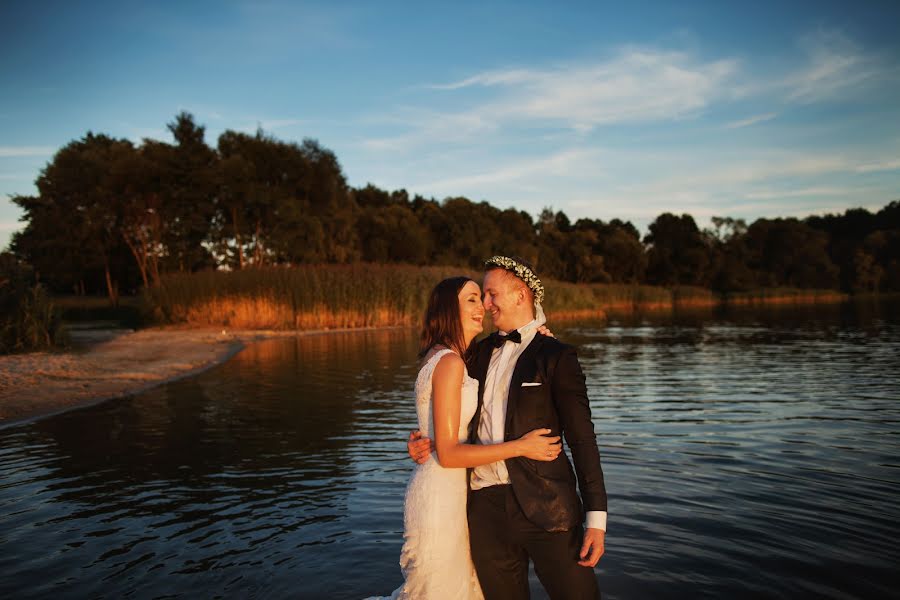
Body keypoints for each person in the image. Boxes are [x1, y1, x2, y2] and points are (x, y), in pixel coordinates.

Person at [407, 256, 607, 600]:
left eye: (491, 294)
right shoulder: (473, 355)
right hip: (484, 512)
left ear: (520, 295)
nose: (486, 305)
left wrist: (597, 519)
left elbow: (582, 439)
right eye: (480, 296)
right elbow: (442, 406)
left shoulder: (556, 356)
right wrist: (423, 440)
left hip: (549, 509)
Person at [367, 276, 563, 600]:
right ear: (449, 309)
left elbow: (439, 434)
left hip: (449, 492)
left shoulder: (447, 357)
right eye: (472, 299)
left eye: (482, 298)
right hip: (440, 497)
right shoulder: (450, 362)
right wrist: (521, 447)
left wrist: (538, 340)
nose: (482, 307)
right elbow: (448, 453)